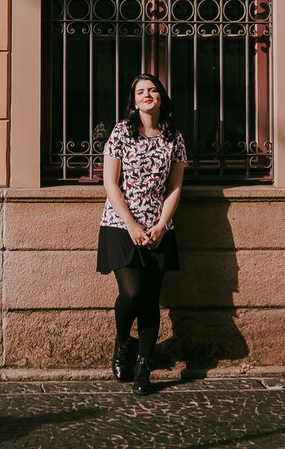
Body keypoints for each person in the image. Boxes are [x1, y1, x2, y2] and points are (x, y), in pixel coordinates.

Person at [97, 73, 187, 395]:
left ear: (160, 97)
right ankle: (123, 342)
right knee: (133, 294)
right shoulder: (122, 131)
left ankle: (144, 368)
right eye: (140, 91)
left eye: (152, 90)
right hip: (121, 224)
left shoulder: (173, 137)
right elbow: (110, 182)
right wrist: (132, 225)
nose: (147, 95)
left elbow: (175, 186)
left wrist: (161, 225)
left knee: (150, 301)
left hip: (158, 228)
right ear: (134, 101)